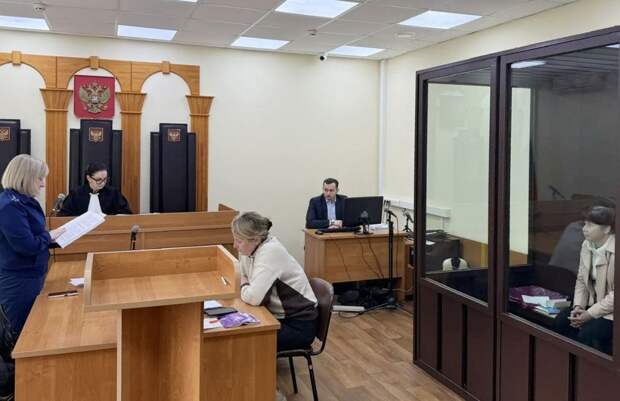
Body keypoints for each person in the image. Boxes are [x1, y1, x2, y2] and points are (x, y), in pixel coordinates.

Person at [0, 155, 65, 401]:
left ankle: (27, 387)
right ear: (26, 178)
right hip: (18, 280)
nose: (42, 184)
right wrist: (50, 236)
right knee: (19, 335)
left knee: (31, 330)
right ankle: (14, 390)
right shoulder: (9, 206)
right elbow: (26, 245)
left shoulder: (26, 202)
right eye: (39, 179)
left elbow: (37, 236)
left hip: (33, 274)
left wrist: (56, 237)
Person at [554, 206, 614, 354]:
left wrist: (590, 314)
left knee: (587, 335)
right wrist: (578, 306)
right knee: (561, 322)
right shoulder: (587, 245)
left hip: (612, 312)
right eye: (585, 223)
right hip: (592, 304)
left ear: (607, 229)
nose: (584, 229)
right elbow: (581, 280)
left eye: (590, 225)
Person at [58, 162, 131, 216]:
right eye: (99, 180)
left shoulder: (113, 193)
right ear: (89, 178)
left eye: (105, 179)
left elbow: (126, 213)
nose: (103, 183)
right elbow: (64, 215)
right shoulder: (75, 194)